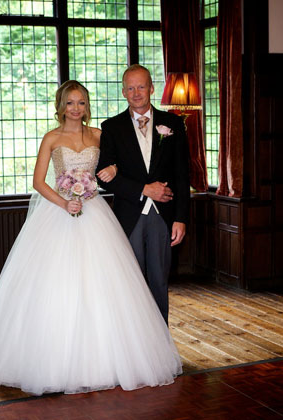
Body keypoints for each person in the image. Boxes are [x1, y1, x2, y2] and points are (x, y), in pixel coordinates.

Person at [0, 80, 182, 396]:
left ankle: (111, 355)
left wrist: (108, 173)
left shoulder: (99, 135)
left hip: (95, 214)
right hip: (60, 212)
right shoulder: (51, 138)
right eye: (70, 103)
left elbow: (118, 165)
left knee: (107, 286)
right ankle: (54, 359)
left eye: (81, 103)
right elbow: (39, 181)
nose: (76, 109)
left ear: (87, 106)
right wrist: (65, 201)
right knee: (57, 286)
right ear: (61, 106)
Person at [97, 65, 190, 324]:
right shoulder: (111, 127)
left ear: (151, 88)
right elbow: (103, 178)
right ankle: (135, 341)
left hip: (164, 216)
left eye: (141, 86)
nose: (136, 92)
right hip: (129, 215)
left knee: (160, 281)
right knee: (131, 283)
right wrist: (143, 189)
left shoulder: (173, 124)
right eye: (130, 87)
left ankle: (160, 344)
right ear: (123, 91)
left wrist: (181, 218)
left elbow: (183, 174)